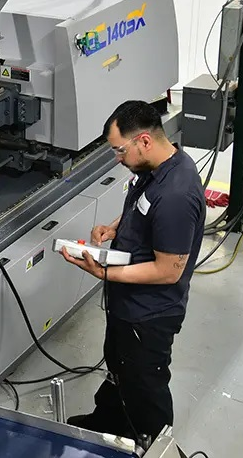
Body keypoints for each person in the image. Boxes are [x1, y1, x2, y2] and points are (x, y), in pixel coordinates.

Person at [62, 100, 206, 443]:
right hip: (129, 305)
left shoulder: (175, 195)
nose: (118, 158)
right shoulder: (154, 169)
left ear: (143, 140)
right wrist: (114, 228)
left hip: (149, 314)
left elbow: (168, 271)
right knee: (118, 366)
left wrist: (104, 274)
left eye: (119, 150)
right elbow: (143, 212)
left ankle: (153, 445)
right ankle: (110, 420)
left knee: (145, 384)